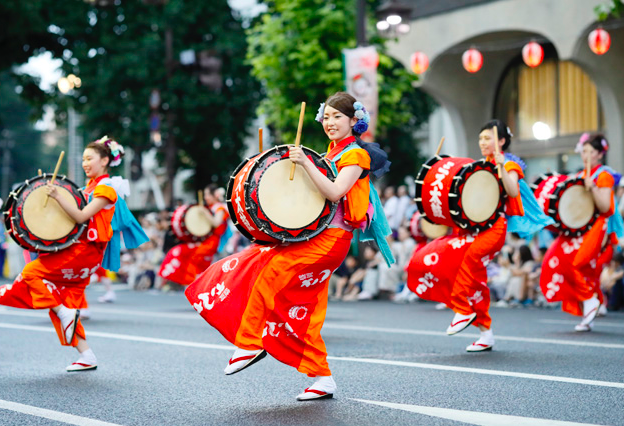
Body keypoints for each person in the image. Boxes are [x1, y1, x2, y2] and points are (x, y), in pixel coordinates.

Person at [184, 92, 393, 401]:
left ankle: (250, 341)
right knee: (280, 289)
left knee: (270, 274)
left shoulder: (355, 155)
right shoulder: (332, 153)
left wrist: (306, 164)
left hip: (332, 240)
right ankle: (321, 377)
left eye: (338, 117)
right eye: (327, 117)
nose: (330, 122)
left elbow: (335, 193)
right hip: (313, 237)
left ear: (353, 120)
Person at [0, 136, 148, 371]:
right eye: (83, 158)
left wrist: (57, 196)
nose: (85, 163)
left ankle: (65, 314)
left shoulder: (107, 189)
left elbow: (82, 217)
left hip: (85, 251)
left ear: (104, 160)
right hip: (79, 251)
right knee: (65, 301)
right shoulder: (89, 188)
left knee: (32, 273)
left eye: (89, 158)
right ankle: (86, 354)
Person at [407, 119, 553, 352]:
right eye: (481, 139)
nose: (483, 142)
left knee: (471, 259)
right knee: (473, 280)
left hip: (494, 228)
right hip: (473, 228)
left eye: (488, 138)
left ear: (502, 141)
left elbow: (513, 191)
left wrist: (503, 166)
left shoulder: (511, 164)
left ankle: (462, 308)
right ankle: (486, 333)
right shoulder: (479, 165)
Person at [540, 133, 623, 331]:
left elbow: (605, 207)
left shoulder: (603, 175)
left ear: (600, 155)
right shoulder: (579, 175)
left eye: (591, 151)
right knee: (553, 259)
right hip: (576, 229)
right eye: (584, 150)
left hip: (597, 227)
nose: (586, 155)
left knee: (577, 263)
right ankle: (591, 302)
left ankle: (590, 300)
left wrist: (592, 187)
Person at [158, 184, 229, 287]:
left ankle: (192, 282)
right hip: (203, 240)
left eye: (207, 194)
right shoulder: (209, 208)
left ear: (215, 195)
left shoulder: (220, 208)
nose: (205, 197)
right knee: (178, 250)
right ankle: (187, 281)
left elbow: (216, 223)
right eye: (205, 195)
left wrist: (204, 212)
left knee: (188, 254)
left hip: (211, 242)